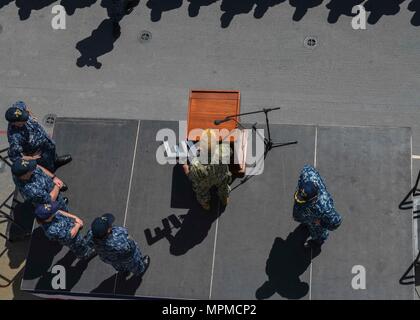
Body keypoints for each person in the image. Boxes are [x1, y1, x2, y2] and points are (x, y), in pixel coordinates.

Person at [5, 101, 72, 173]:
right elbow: (15, 157)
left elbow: (22, 105)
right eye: (23, 121)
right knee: (47, 166)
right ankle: (51, 172)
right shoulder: (15, 137)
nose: (26, 120)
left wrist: (32, 116)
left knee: (52, 151)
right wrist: (31, 158)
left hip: (46, 141)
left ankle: (56, 161)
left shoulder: (18, 109)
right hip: (38, 151)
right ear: (14, 123)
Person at [293, 165, 342, 248]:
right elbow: (307, 168)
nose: (298, 199)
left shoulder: (325, 207)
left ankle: (317, 242)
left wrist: (321, 223)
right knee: (305, 221)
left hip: (314, 219)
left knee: (318, 233)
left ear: (314, 199)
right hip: (305, 216)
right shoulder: (307, 174)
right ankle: (305, 222)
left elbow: (336, 222)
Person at [183, 129, 232, 211]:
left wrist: (185, 166)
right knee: (224, 187)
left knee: (201, 192)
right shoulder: (224, 150)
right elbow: (230, 153)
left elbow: (191, 177)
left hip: (205, 183)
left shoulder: (195, 165)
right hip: (221, 176)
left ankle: (205, 204)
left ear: (200, 146)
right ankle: (224, 199)